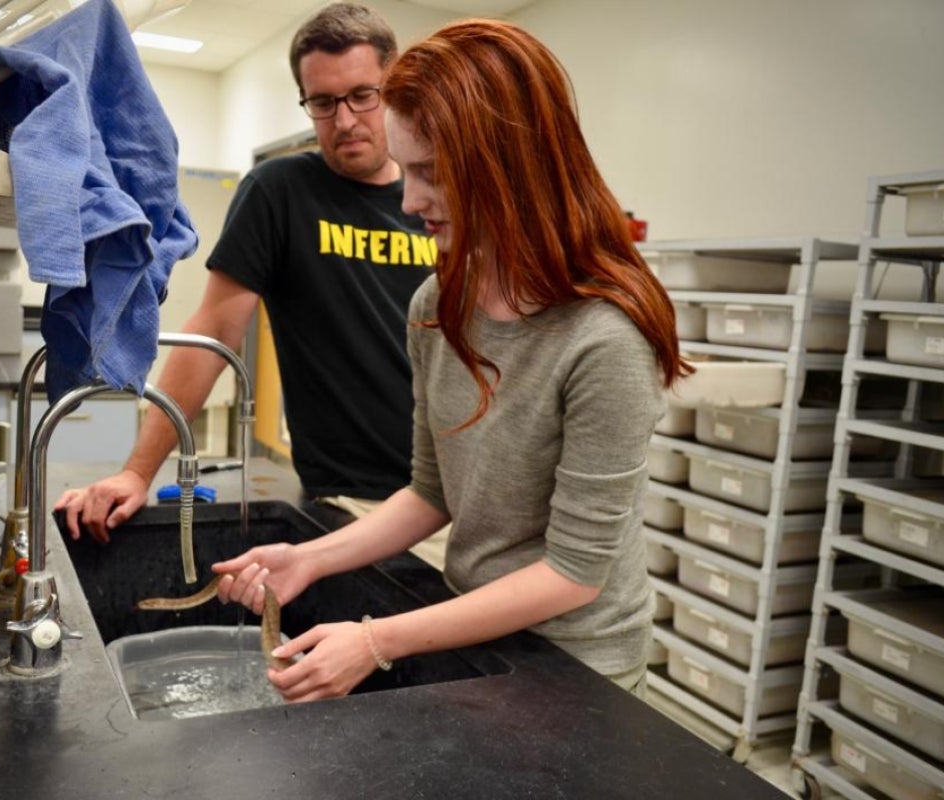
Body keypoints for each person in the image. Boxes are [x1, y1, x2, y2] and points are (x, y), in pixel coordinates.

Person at [212, 18, 692, 702]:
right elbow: (432, 492)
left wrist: (376, 640)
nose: (409, 201)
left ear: (512, 165)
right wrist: (306, 560)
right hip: (473, 628)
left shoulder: (604, 336)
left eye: (432, 174)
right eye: (407, 170)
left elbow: (573, 574)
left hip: (580, 667)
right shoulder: (439, 303)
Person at [54, 3, 441, 547]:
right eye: (324, 102)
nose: (346, 120)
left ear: (394, 87)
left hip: (456, 494)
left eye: (362, 95)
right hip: (353, 500)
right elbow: (214, 331)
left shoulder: (436, 196)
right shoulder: (279, 192)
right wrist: (137, 471)